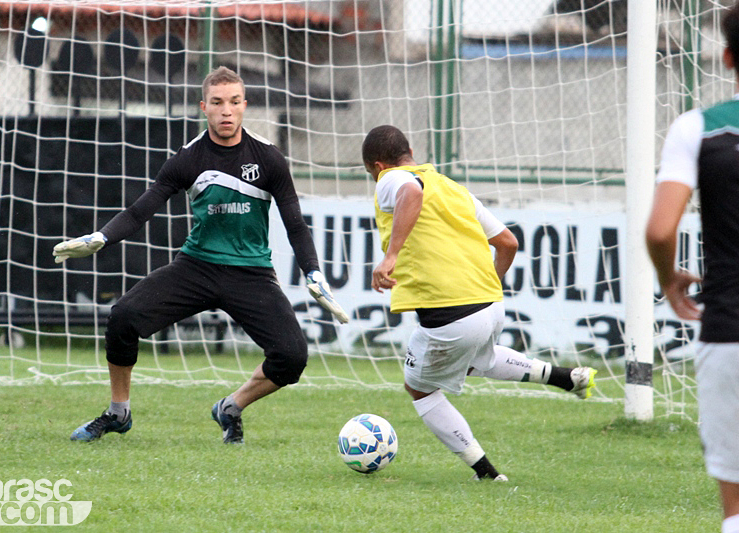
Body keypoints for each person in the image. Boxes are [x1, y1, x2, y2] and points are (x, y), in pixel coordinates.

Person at [54, 66, 348, 444]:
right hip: (196, 268)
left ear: (245, 105)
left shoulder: (269, 158)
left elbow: (295, 224)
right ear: (203, 107)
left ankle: (231, 406)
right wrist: (101, 238)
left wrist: (313, 272)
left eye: (234, 102)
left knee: (291, 358)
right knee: (123, 318)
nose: (226, 111)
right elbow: (138, 212)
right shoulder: (188, 159)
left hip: (251, 274)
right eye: (217, 102)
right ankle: (118, 411)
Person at [362, 125, 596, 481]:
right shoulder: (454, 189)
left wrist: (391, 255)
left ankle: (486, 473)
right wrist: (485, 287)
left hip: (451, 314)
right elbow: (508, 243)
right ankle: (567, 378)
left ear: (378, 166)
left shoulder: (392, 179)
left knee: (420, 388)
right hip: (490, 305)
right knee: (473, 361)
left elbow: (410, 191)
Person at [646, 4, 739, 531]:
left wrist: (669, 278)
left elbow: (660, 230)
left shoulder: (698, 128)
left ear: (726, 57)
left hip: (728, 329)